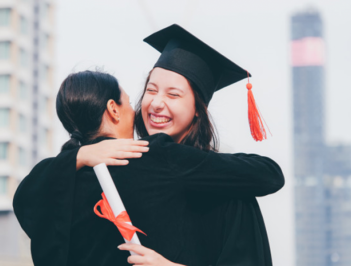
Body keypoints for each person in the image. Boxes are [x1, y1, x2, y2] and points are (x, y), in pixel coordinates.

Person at [14, 24, 284, 266]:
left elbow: (26, 199)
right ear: (113, 109)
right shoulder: (149, 158)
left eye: (173, 94)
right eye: (151, 90)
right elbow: (270, 173)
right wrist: (83, 155)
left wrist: (78, 156)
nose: (155, 103)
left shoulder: (230, 193)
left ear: (198, 108)